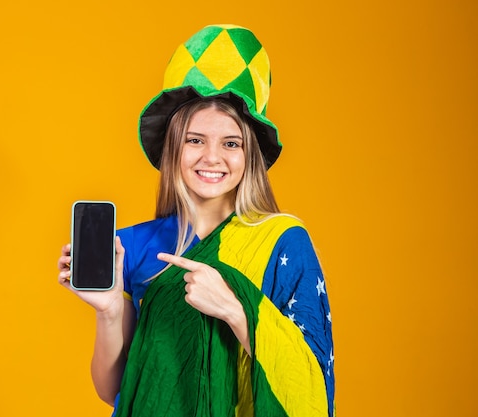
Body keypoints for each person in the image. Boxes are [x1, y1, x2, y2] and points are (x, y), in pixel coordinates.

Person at [58, 24, 335, 417]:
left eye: (231, 143)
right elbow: (116, 390)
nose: (212, 158)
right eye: (195, 139)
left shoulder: (283, 241)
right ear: (174, 147)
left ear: (249, 155)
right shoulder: (133, 246)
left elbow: (310, 382)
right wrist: (109, 311)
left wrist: (236, 310)